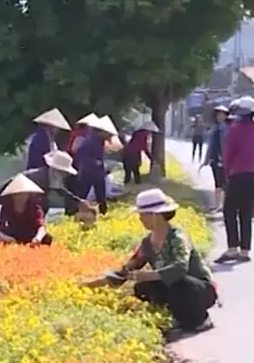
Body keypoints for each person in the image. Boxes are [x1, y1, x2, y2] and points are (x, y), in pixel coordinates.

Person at [84, 188, 217, 338]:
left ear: (154, 215)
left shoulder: (178, 237)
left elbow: (180, 268)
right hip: (175, 288)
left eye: (142, 215)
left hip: (199, 289)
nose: (140, 219)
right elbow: (126, 271)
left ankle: (200, 319)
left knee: (178, 282)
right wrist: (89, 284)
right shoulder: (148, 243)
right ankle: (177, 317)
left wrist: (149, 275)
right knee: (142, 287)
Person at [215, 96, 254, 264]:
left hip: (237, 174)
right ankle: (245, 251)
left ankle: (232, 249)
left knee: (230, 211)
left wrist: (227, 173)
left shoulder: (235, 129)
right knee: (246, 212)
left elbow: (228, 154)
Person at [3, 150, 95, 217]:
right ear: (56, 170)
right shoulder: (39, 178)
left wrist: (79, 201)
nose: (64, 175)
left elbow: (60, 190)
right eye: (63, 172)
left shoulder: (50, 176)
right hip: (11, 194)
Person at [70, 115, 117, 215]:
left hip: (97, 172)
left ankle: (103, 212)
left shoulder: (100, 141)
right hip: (87, 171)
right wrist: (94, 162)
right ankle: (75, 212)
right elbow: (81, 154)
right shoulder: (90, 140)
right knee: (82, 194)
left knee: (101, 194)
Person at [0, 174, 52, 245]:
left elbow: (41, 227)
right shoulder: (6, 208)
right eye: (18, 194)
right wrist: (9, 239)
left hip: (31, 236)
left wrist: (37, 238)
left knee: (47, 238)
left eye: (25, 194)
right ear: (13, 196)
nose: (22, 197)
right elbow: (0, 231)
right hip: (15, 236)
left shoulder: (35, 208)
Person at [202, 105, 230, 211]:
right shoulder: (215, 128)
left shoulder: (228, 128)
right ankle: (217, 204)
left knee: (225, 183)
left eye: (222, 115)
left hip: (225, 159)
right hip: (215, 159)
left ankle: (225, 205)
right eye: (218, 115)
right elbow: (211, 145)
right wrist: (207, 159)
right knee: (217, 183)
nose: (220, 117)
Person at [123, 120, 158, 185]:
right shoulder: (143, 135)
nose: (150, 134)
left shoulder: (137, 133)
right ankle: (135, 184)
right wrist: (151, 158)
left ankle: (127, 184)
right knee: (135, 171)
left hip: (127, 153)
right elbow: (144, 148)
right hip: (133, 154)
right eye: (150, 132)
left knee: (129, 171)